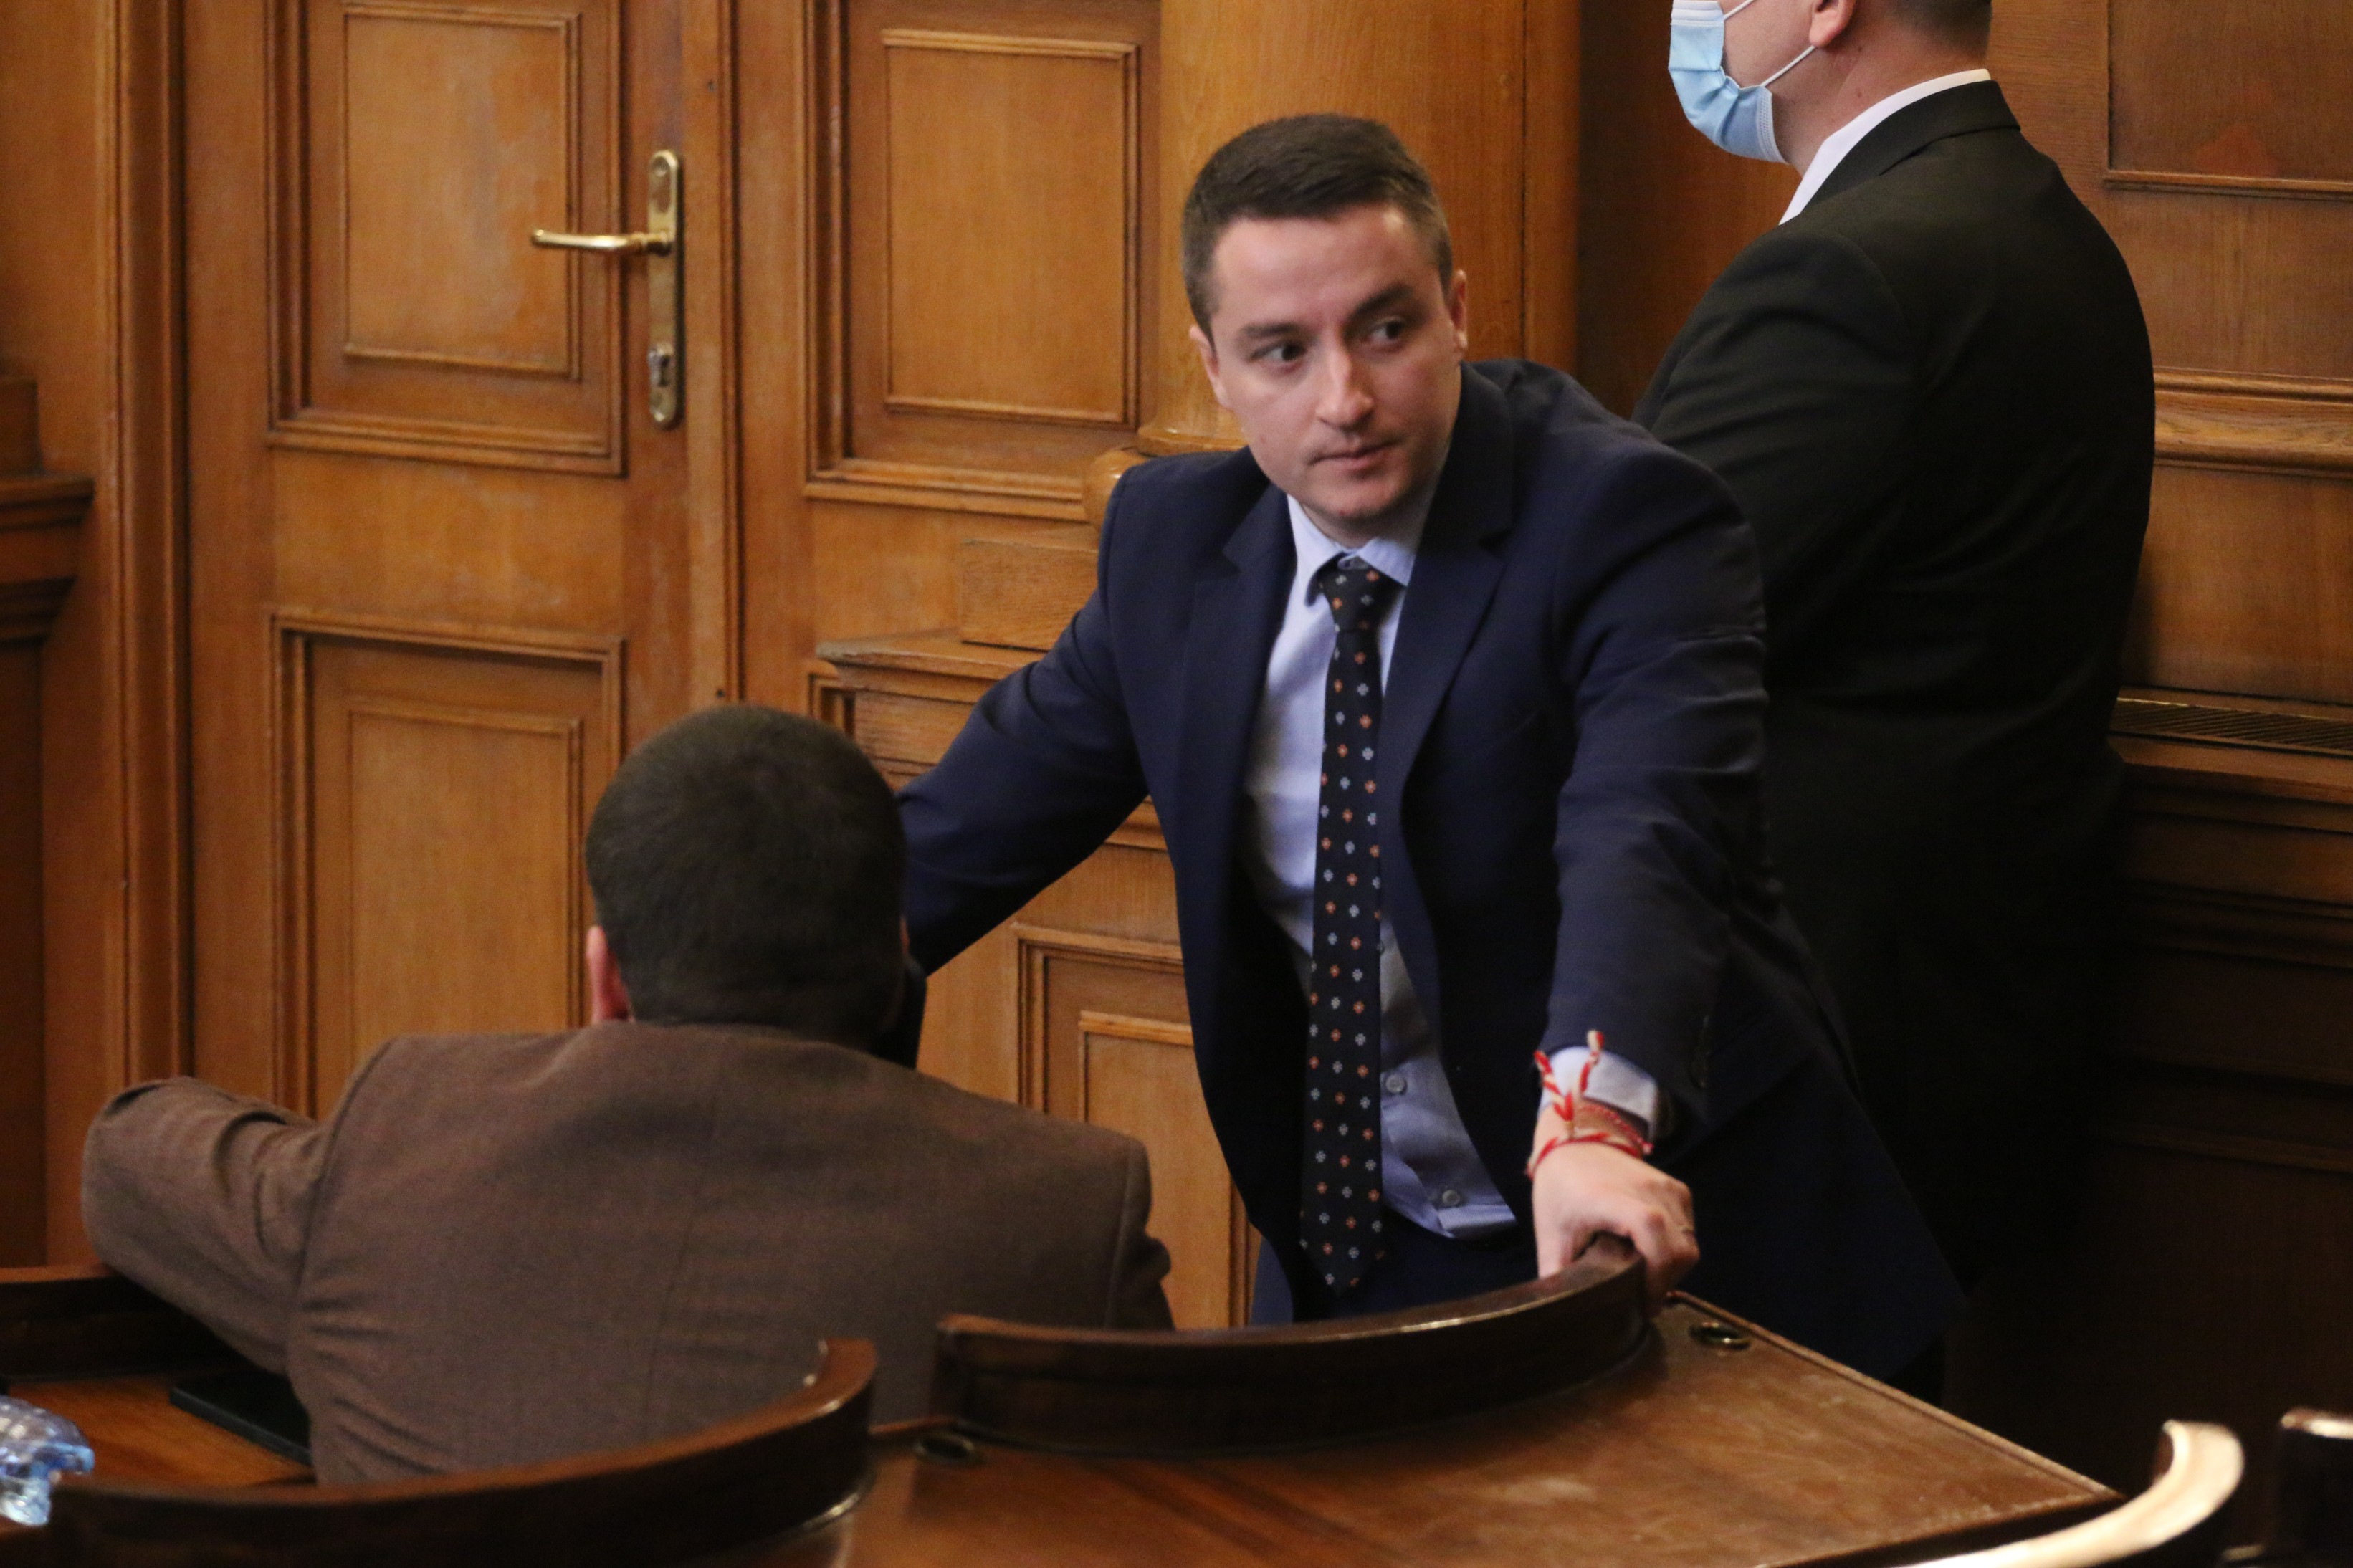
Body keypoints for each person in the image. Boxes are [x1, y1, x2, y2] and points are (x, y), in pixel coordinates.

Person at [898, 113, 1958, 1377]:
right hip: (1361, 1260)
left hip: (1684, 1246)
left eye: (1387, 330)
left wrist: (1592, 1124)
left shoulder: (1624, 516)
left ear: (1456, 310)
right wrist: (733, 993)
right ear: (1213, 369)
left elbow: (1648, 830)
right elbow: (963, 833)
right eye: (1282, 352)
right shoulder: (1172, 550)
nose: (1344, 400)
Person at [82, 706, 1172, 1482]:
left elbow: (130, 1152)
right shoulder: (1064, 1209)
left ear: (604, 976)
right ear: (897, 960)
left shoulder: (404, 1140)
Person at [1638, 0, 2153, 1288]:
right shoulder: (2037, 221)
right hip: (1962, 1023)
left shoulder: (1850, 271)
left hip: (1821, 1045)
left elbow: (1638, 620)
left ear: (1827, 8)